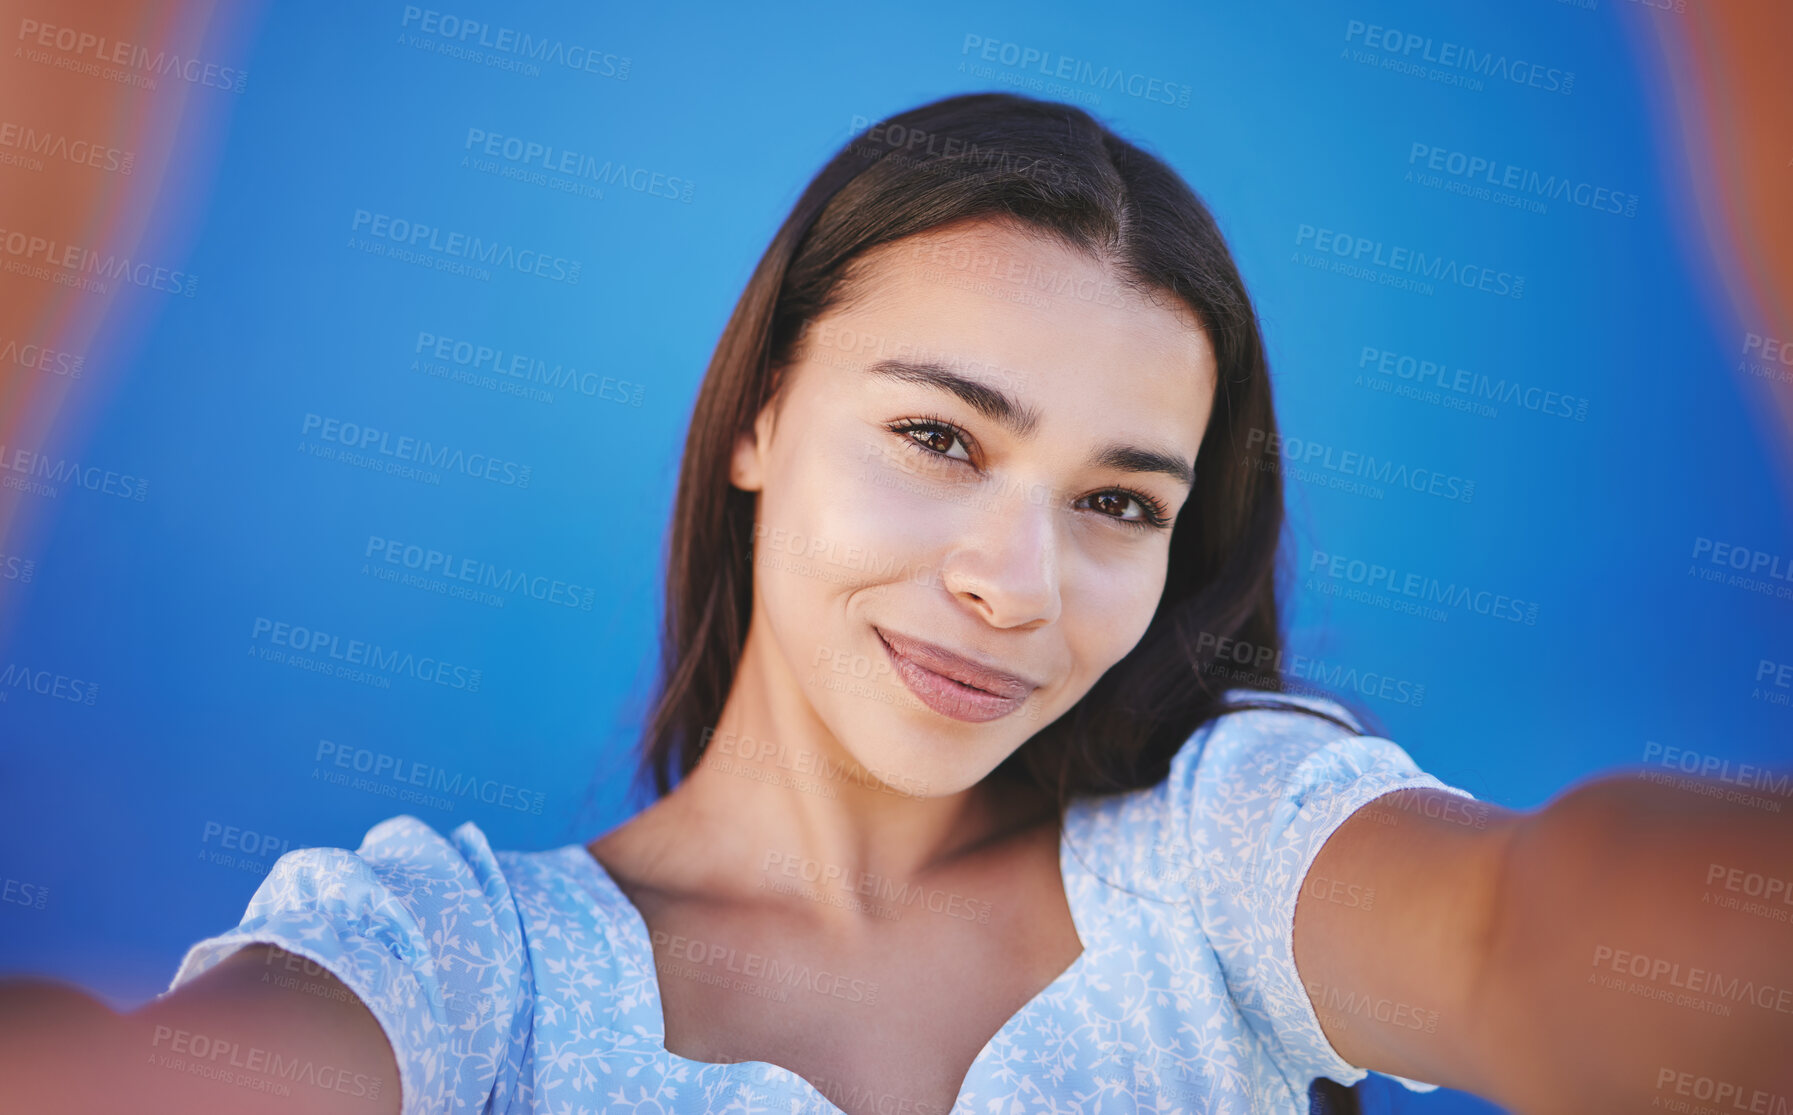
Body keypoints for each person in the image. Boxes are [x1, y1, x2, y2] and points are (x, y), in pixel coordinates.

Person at [4, 92, 1788, 1115]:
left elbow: (1532, 934)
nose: (1010, 584)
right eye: (938, 435)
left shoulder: (1216, 861)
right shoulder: (463, 972)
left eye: (1113, 502)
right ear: (762, 417)